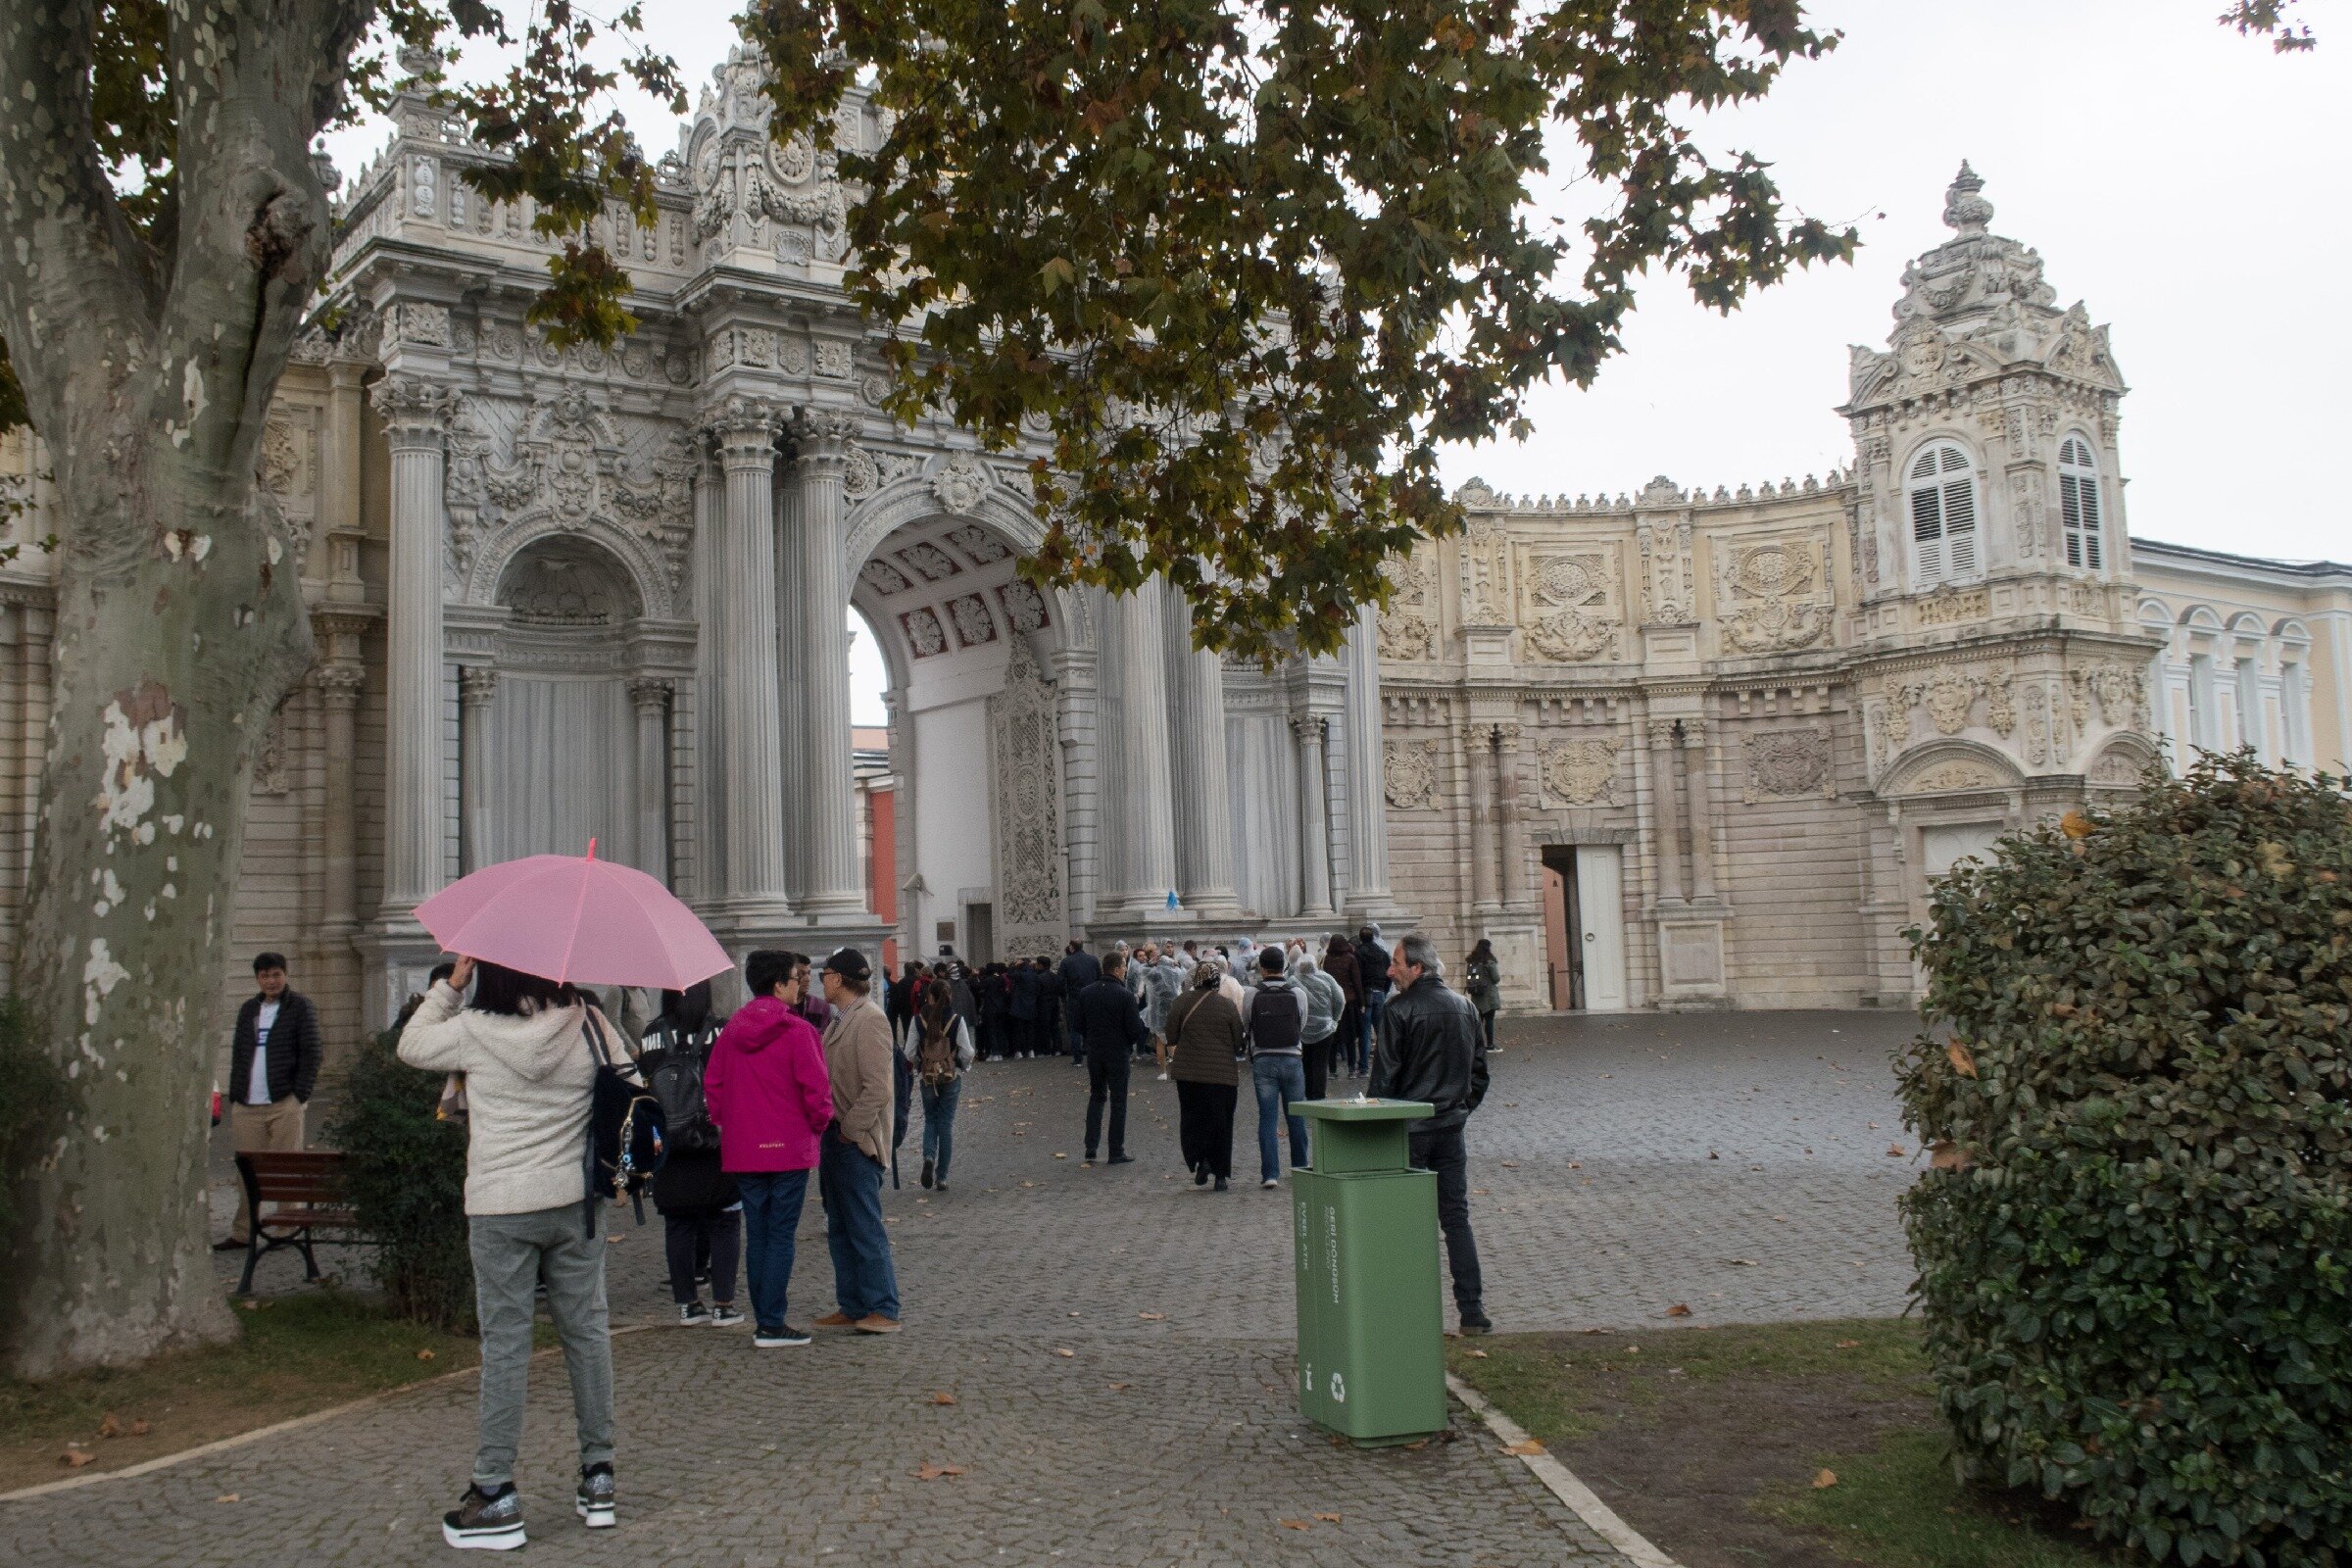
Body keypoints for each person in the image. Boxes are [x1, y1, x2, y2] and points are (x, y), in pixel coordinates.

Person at [398, 956, 628, 1548]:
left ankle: (495, 1491)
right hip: (574, 1202)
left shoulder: (474, 1030)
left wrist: (451, 986)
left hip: (500, 1204)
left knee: (506, 1345)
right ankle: (599, 1477)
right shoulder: (591, 1025)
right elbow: (630, 1086)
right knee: (587, 1333)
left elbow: (412, 1045)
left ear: (492, 974)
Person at [704, 953, 833, 1348]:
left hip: (745, 1148)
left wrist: (734, 1124)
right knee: (779, 1235)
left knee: (758, 1233)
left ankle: (766, 1319)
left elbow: (714, 1088)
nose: (800, 986)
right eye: (795, 979)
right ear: (779, 984)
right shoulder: (799, 1032)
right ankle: (771, 1323)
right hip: (789, 1148)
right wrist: (818, 1125)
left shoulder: (731, 1033)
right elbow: (818, 1092)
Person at [1370, 933, 1493, 1335]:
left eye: (1397, 963)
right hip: (1449, 1129)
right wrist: (1458, 1111)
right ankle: (1472, 1312)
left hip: (1409, 1131)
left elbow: (1383, 1081)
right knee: (1456, 1220)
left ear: (1417, 968)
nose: (1390, 971)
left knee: (1405, 1224)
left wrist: (1375, 1127)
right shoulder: (1465, 1008)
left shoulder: (1397, 1011)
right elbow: (1479, 1075)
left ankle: (1409, 1315)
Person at [639, 983, 742, 1328]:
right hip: (713, 1139)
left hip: (667, 1142)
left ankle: (687, 1304)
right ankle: (724, 1304)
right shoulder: (721, 1030)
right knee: (724, 1221)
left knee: (678, 1223)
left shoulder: (651, 1033)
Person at [812, 949, 902, 1333]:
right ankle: (851, 1304)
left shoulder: (870, 1020)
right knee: (839, 1228)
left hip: (854, 1141)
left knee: (865, 1228)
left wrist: (851, 1129)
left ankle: (884, 1307)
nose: (821, 982)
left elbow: (878, 1088)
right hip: (834, 1139)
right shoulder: (839, 1021)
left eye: (825, 975)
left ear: (838, 979)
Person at [220, 953, 325, 1250]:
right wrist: (236, 1092)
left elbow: (312, 1052)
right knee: (247, 1171)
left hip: (283, 1102)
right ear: (257, 979)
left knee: (286, 1166)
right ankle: (244, 1230)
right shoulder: (249, 1009)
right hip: (247, 1103)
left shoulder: (300, 1007)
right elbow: (240, 1054)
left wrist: (299, 1095)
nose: (271, 981)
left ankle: (286, 1228)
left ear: (285, 975)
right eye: (265, 976)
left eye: (276, 974)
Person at [1164, 961, 1244, 1190]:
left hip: (1188, 1075)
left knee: (1194, 1119)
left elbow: (1171, 1036)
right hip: (1222, 1076)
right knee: (1221, 1122)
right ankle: (1220, 1175)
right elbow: (1238, 1041)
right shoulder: (1227, 1006)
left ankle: (1202, 1161)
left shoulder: (1181, 1002)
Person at [1245, 947, 1310, 1189]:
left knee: (1267, 1118)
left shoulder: (1252, 993)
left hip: (1263, 1058)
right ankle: (1301, 1168)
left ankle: (1270, 1173)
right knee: (1297, 1117)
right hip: (1292, 1057)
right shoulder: (1297, 993)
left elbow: (1247, 1023)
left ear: (1261, 968)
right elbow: (1301, 1023)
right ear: (1283, 966)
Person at [1074, 951, 1148, 1164]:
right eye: (1124, 967)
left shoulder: (1086, 993)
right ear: (1116, 970)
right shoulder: (1124, 995)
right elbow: (1134, 1030)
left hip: (1095, 1052)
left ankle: (1091, 1147)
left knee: (1096, 1097)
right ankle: (1115, 1150)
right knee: (1118, 1100)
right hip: (1118, 1053)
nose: (1125, 971)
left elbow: (1078, 1025)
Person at [903, 979, 976, 1190]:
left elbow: (908, 1052)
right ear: (949, 996)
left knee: (930, 1120)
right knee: (946, 1123)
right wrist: (962, 1065)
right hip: (950, 1076)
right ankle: (942, 1176)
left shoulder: (918, 1020)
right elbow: (968, 1051)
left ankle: (928, 1156)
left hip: (928, 1077)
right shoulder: (956, 1019)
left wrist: (919, 1065)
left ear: (929, 997)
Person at [1295, 951, 1345, 1101]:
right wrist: (1334, 1019)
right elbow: (1340, 1000)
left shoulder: (1293, 980)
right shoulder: (1327, 978)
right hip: (1325, 1028)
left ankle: (1309, 1092)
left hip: (1303, 1029)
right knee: (1321, 1063)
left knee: (1306, 1062)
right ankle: (1319, 1095)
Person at [1353, 924, 1392, 1077]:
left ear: (1361, 938)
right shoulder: (1382, 953)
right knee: (1381, 1032)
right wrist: (1384, 989)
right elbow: (1389, 974)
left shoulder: (1359, 954)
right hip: (1380, 992)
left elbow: (1357, 978)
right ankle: (1385, 1066)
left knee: (1365, 1032)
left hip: (1365, 994)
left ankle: (1363, 1068)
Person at [1323, 935, 1363, 1081]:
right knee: (1350, 1037)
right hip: (1349, 1001)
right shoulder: (1351, 958)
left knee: (1333, 1037)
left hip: (1333, 1002)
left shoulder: (1327, 959)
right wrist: (1362, 1002)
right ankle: (1352, 1069)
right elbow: (1357, 981)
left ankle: (1332, 1070)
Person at [1057, 940, 1100, 1060]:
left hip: (1075, 998)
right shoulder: (1093, 960)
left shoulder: (1066, 961)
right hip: (1092, 997)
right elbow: (1099, 977)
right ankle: (1092, 1054)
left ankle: (1077, 1058)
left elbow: (1061, 981)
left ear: (1071, 947)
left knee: (1075, 1028)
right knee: (1091, 1027)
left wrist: (1065, 995)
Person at [1464, 939, 1503, 1054]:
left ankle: (1475, 1045)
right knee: (1489, 1020)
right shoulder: (1489, 962)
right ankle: (1490, 1045)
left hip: (1476, 995)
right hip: (1489, 996)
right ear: (1488, 948)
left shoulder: (1472, 961)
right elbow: (1496, 978)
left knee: (1477, 1021)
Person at [1007, 956, 1042, 1058]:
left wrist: (1013, 965)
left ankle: (1019, 1051)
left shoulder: (1020, 974)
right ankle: (1030, 1050)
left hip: (1019, 1006)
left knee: (1019, 1030)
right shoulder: (1035, 975)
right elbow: (1038, 989)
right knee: (1030, 1030)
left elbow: (1009, 974)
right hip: (1031, 1005)